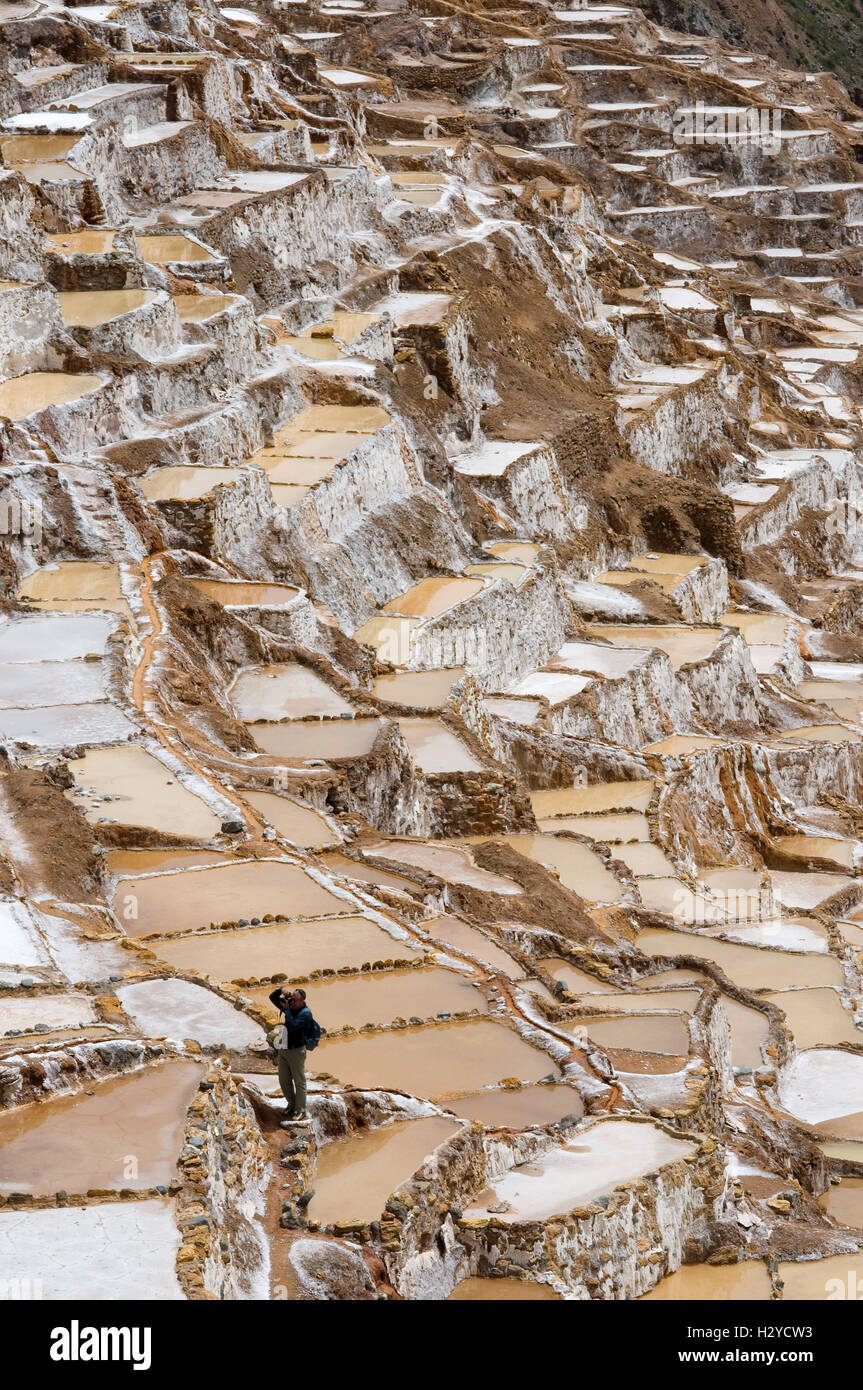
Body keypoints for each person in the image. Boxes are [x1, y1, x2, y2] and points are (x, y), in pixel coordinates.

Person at [268, 986, 315, 1123]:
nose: (291, 1001)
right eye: (291, 999)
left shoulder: (305, 1013)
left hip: (296, 1051)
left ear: (302, 1001)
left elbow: (293, 1026)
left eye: (294, 1000)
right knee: (284, 1079)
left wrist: (288, 1009)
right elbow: (272, 998)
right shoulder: (290, 1007)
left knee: (299, 1082)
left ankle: (300, 1110)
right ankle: (291, 1104)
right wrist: (281, 990)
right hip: (284, 1049)